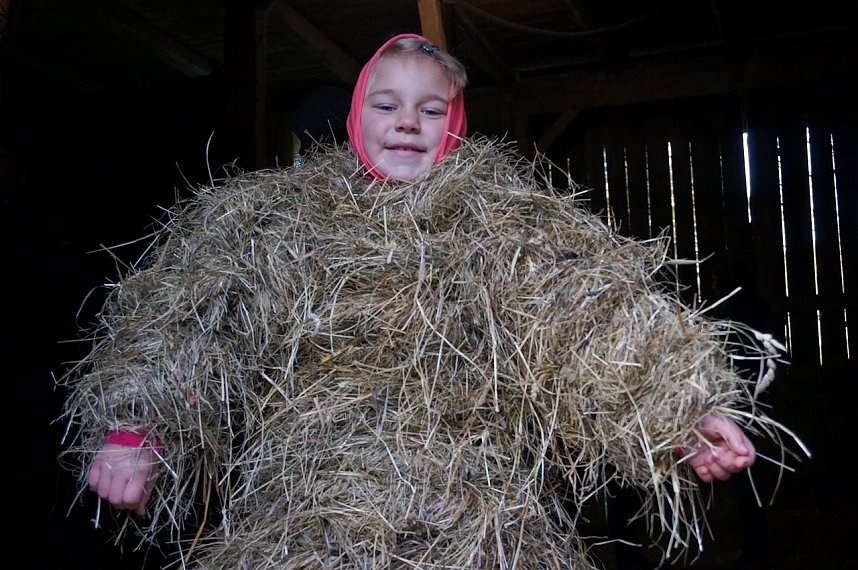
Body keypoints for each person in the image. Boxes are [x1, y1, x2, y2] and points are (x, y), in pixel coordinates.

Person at [64, 33, 777, 569]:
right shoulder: (274, 220)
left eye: (430, 109)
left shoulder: (501, 222)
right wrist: (136, 430)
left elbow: (584, 314)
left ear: (455, 124)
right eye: (387, 105)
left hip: (475, 520)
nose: (407, 122)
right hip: (308, 521)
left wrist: (676, 412)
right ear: (355, 116)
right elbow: (189, 321)